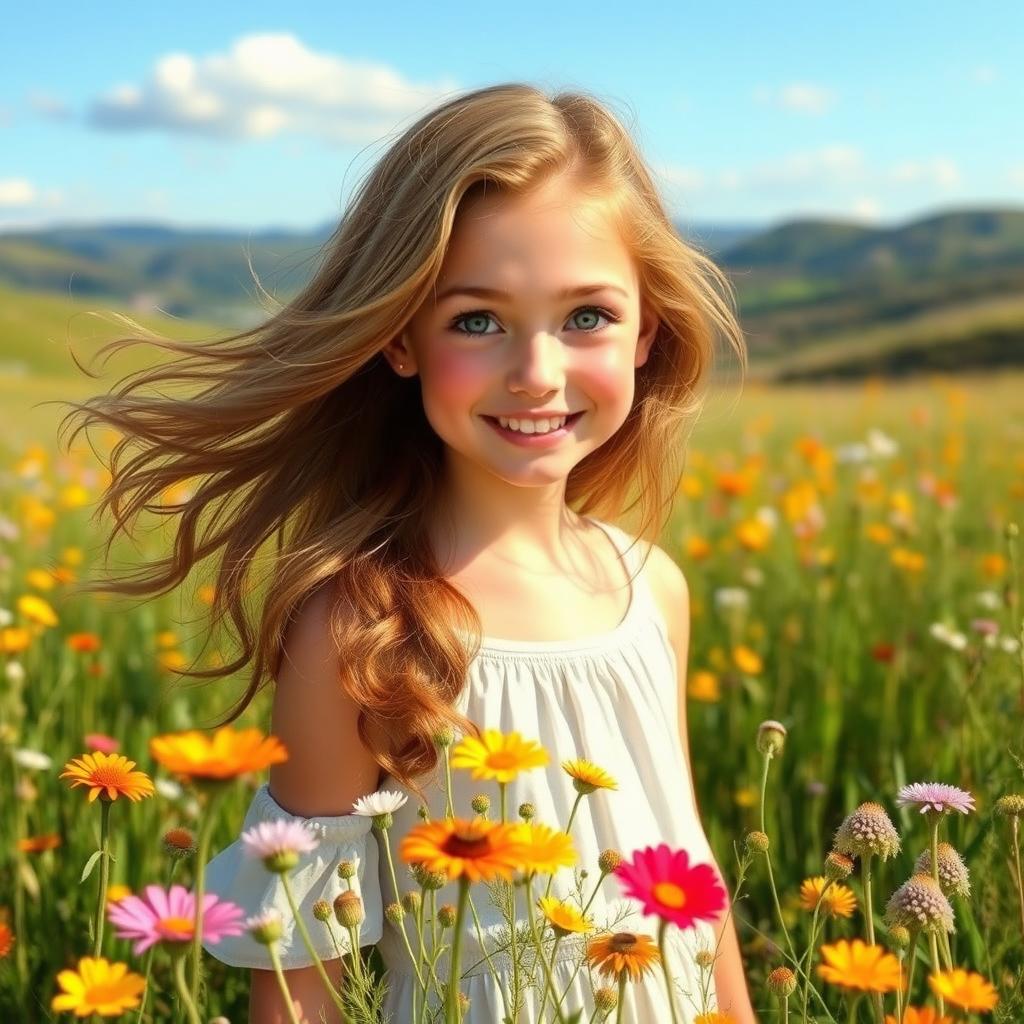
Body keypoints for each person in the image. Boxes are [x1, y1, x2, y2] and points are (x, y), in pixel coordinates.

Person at [62, 82, 754, 1022]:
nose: (537, 372)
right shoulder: (360, 625)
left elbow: (687, 870)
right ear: (399, 341)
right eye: (477, 320)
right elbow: (296, 969)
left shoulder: (651, 590)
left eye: (587, 316)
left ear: (648, 333)